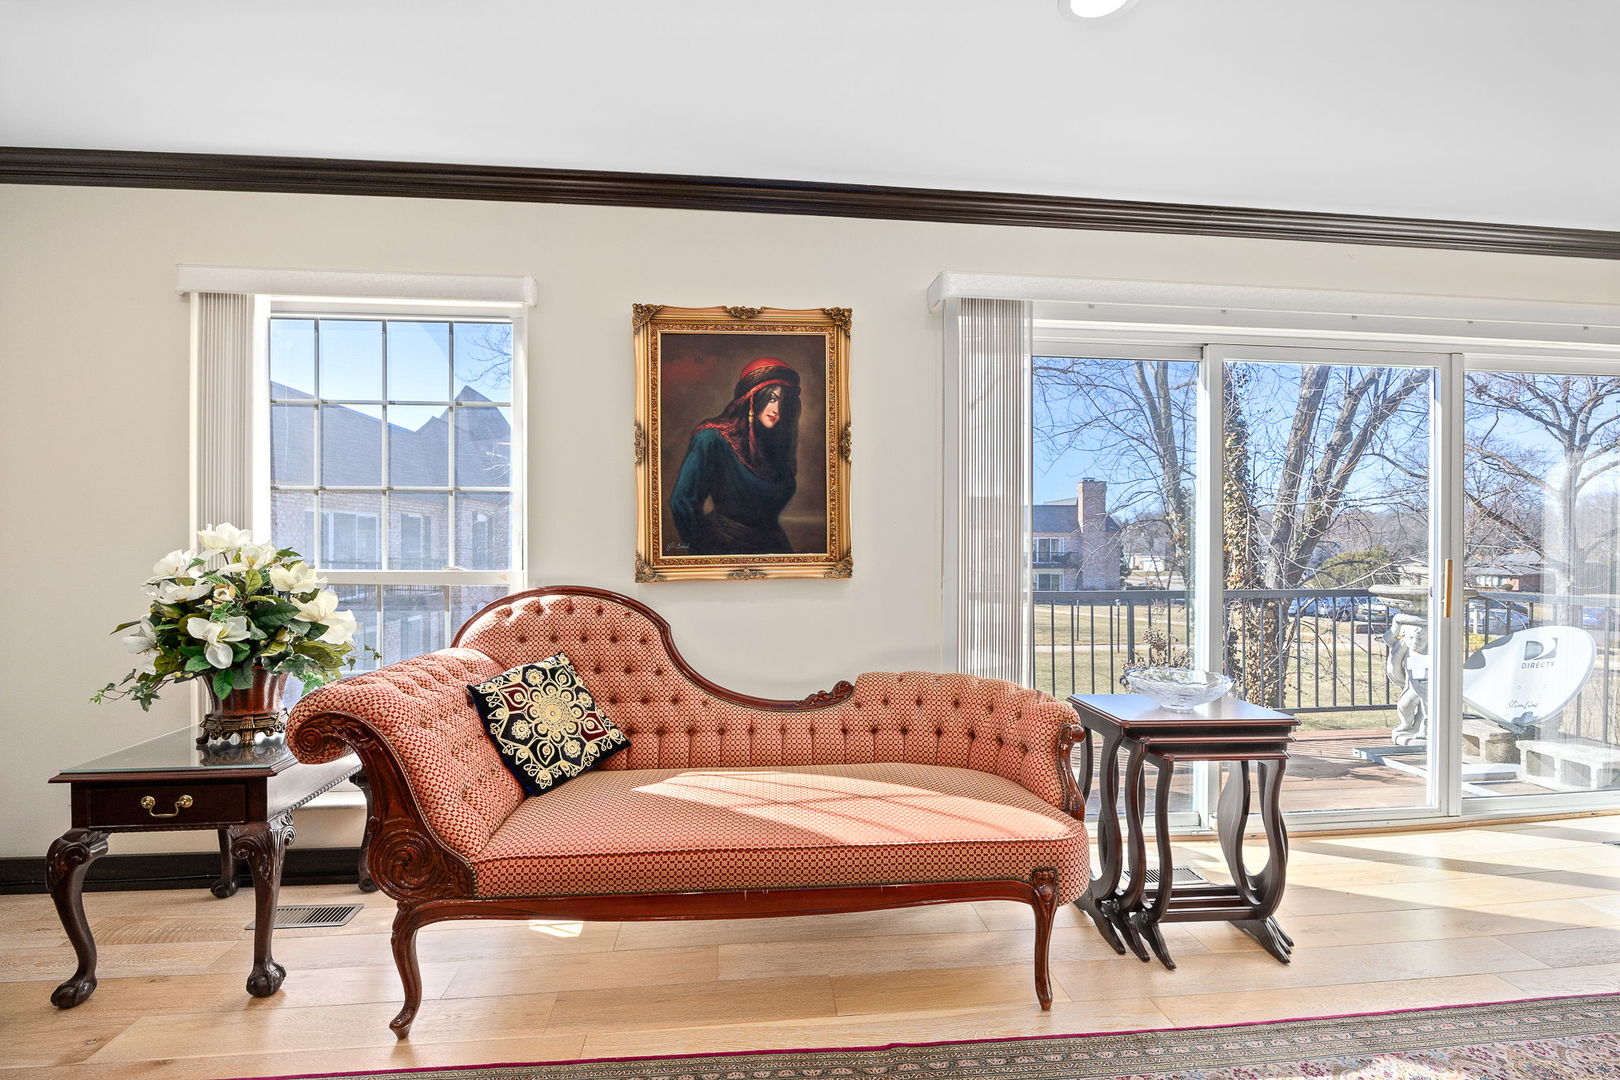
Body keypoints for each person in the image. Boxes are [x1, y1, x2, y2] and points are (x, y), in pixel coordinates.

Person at [670, 357, 802, 555]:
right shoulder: (712, 438)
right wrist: (700, 551)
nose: (777, 410)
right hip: (723, 545)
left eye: (784, 401)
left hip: (774, 547)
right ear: (752, 399)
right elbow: (682, 501)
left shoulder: (778, 443)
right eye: (772, 398)